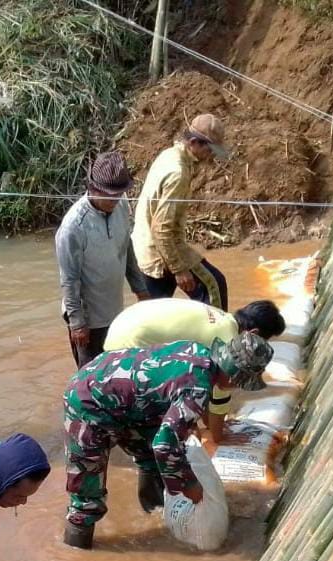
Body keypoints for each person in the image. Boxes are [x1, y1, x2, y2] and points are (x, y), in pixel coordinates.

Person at [61, 334, 272, 550]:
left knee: (150, 458)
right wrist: (188, 483)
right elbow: (164, 445)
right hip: (87, 402)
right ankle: (75, 555)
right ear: (235, 376)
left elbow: (164, 401)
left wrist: (186, 429)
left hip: (116, 390)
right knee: (86, 498)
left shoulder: (197, 352)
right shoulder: (198, 386)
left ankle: (157, 516)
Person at [103, 297, 285, 448]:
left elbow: (208, 390)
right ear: (253, 332)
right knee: (160, 419)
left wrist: (207, 424)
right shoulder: (230, 344)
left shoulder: (223, 319)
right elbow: (220, 395)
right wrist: (219, 437)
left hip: (123, 324)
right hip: (130, 345)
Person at [55, 151, 151, 367]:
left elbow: (126, 247)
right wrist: (78, 324)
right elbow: (69, 280)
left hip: (114, 311)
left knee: (117, 371)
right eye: (110, 195)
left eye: (119, 194)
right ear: (93, 188)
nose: (115, 200)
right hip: (88, 318)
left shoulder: (121, 205)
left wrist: (141, 289)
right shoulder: (73, 228)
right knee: (91, 379)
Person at [131, 114, 233, 309]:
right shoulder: (178, 172)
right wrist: (179, 269)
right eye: (209, 149)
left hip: (145, 247)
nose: (211, 155)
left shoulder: (170, 154)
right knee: (213, 285)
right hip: (159, 249)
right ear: (194, 142)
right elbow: (161, 228)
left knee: (155, 314)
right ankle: (219, 338)